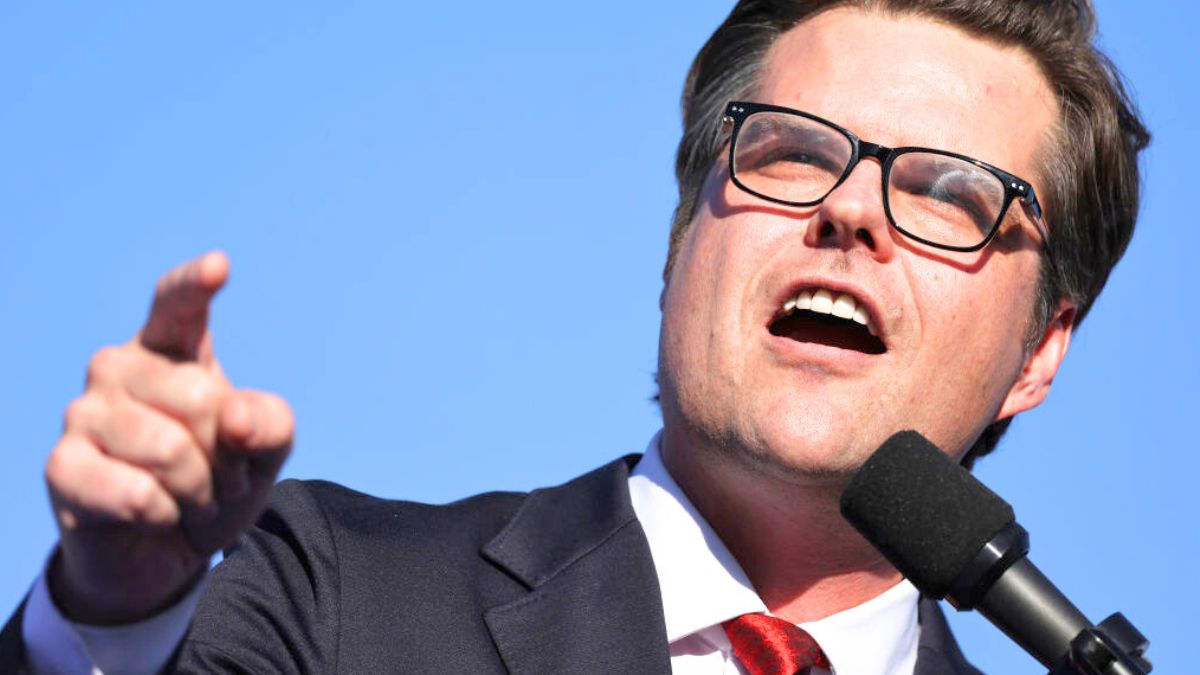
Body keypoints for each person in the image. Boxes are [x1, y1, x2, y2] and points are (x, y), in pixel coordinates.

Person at [0, 0, 1149, 673]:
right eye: (792, 153)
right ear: (675, 251)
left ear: (1043, 350)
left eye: (948, 193)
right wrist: (113, 611)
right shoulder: (333, 596)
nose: (846, 211)